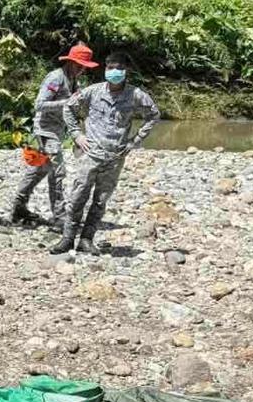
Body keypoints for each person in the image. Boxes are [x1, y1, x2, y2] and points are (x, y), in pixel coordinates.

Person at [50, 51, 160, 255]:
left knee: (100, 201)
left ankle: (86, 239)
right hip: (90, 154)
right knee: (77, 197)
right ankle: (67, 239)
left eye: (119, 68)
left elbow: (153, 115)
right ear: (105, 70)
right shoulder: (93, 91)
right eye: (110, 68)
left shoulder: (135, 95)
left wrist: (135, 141)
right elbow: (68, 109)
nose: (114, 72)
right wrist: (76, 134)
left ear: (126, 71)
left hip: (115, 157)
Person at [11, 43, 99, 225]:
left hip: (58, 132)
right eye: (79, 66)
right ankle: (59, 216)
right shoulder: (56, 78)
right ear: (70, 62)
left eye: (84, 67)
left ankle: (18, 206)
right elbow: (39, 104)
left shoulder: (74, 80)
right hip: (45, 131)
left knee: (38, 170)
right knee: (58, 172)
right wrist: (67, 102)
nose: (82, 70)